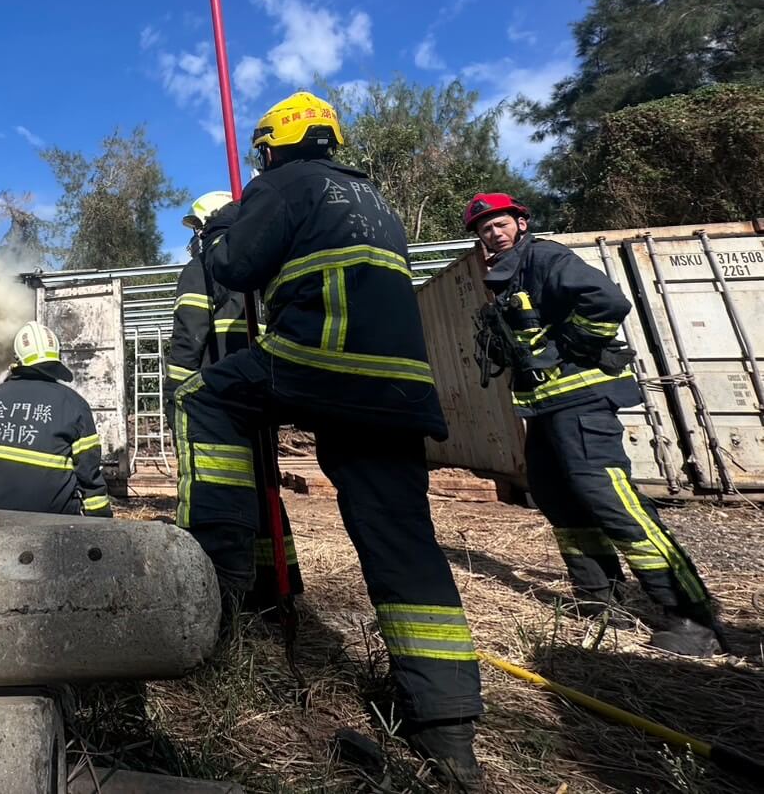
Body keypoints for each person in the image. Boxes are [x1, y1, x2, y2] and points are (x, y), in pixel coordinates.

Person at [177, 91, 483, 790]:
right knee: (400, 537)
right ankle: (444, 723)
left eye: (261, 151)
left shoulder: (282, 184)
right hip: (398, 387)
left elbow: (233, 270)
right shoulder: (370, 198)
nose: (259, 160)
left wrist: (220, 229)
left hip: (322, 357)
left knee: (207, 398)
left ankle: (216, 581)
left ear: (274, 145)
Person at [464, 193, 718, 656]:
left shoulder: (544, 256)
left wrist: (570, 345)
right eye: (484, 229)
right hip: (544, 410)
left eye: (500, 223)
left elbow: (607, 301)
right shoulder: (507, 275)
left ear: (521, 223)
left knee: (609, 498)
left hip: (580, 402)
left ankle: (691, 615)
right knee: (557, 495)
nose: (493, 233)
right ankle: (601, 601)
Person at [168, 192, 300, 599]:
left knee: (215, 491)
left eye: (197, 229)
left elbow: (189, 337)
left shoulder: (203, 268)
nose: (195, 238)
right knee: (265, 488)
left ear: (208, 227)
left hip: (215, 401)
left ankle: (220, 593)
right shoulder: (263, 262)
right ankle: (279, 588)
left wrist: (178, 396)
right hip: (260, 395)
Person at [0, 321, 113, 517]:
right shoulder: (74, 404)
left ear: (18, 360)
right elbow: (88, 472)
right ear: (56, 357)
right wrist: (101, 522)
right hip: (53, 515)